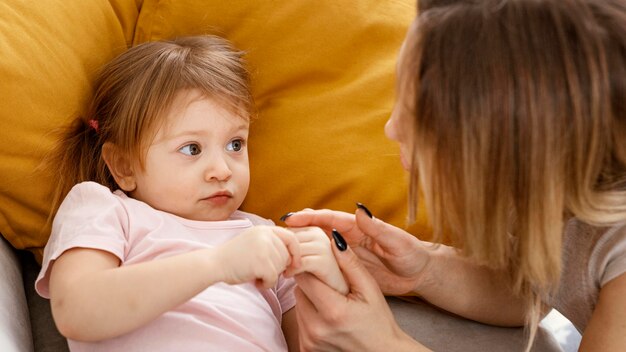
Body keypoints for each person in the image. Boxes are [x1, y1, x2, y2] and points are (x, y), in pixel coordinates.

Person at [284, 0, 626, 351]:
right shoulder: (546, 182)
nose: (392, 127)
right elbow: (531, 294)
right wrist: (423, 268)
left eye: (420, 113)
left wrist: (383, 343)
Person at [35, 35, 347, 351]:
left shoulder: (263, 235)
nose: (222, 169)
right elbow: (77, 311)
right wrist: (218, 264)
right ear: (124, 166)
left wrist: (328, 282)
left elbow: (312, 345)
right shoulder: (104, 209)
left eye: (235, 144)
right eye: (192, 148)